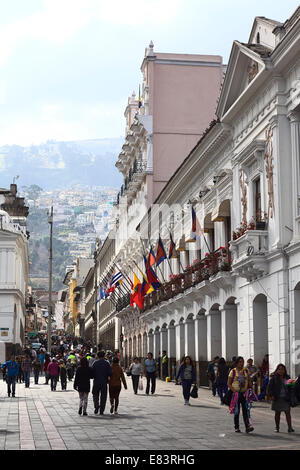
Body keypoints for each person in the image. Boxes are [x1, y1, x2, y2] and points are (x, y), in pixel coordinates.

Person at [227, 356, 254, 433]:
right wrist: (234, 391)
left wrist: (251, 390)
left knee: (246, 410)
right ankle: (236, 427)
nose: (241, 363)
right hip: (235, 394)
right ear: (236, 363)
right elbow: (228, 384)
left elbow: (249, 381)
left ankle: (247, 427)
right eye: (239, 362)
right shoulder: (233, 371)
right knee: (237, 411)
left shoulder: (246, 371)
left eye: (242, 362)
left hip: (244, 393)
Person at [268, 364, 294, 433]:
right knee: (277, 413)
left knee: (288, 413)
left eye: (282, 369)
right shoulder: (274, 378)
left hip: (286, 398)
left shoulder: (287, 377)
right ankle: (277, 427)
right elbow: (270, 387)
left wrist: (291, 395)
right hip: (277, 398)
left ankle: (290, 427)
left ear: (284, 370)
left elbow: (291, 387)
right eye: (279, 369)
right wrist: (271, 395)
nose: (281, 371)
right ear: (277, 370)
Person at [92, 350, 112, 415]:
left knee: (95, 395)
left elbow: (92, 372)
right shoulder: (107, 363)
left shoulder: (95, 363)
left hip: (96, 382)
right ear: (104, 356)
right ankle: (101, 410)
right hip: (104, 382)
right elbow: (110, 373)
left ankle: (96, 406)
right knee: (103, 396)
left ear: (97, 356)